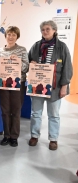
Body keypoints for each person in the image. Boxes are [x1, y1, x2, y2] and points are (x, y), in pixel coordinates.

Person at [28, 20, 73, 150]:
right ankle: (34, 135)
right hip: (37, 86)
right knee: (35, 113)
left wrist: (64, 86)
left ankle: (53, 139)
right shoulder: (36, 46)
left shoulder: (62, 47)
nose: (45, 32)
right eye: (43, 30)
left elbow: (68, 68)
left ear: (54, 30)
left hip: (55, 87)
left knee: (53, 114)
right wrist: (32, 63)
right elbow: (28, 61)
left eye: (48, 29)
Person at [0, 26, 29, 147]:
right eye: (9, 34)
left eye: (13, 35)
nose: (11, 37)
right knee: (5, 111)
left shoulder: (22, 50)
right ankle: (6, 135)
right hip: (3, 85)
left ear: (17, 36)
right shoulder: (0, 51)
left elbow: (26, 68)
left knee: (16, 111)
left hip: (18, 85)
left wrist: (18, 61)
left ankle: (14, 137)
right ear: (5, 36)